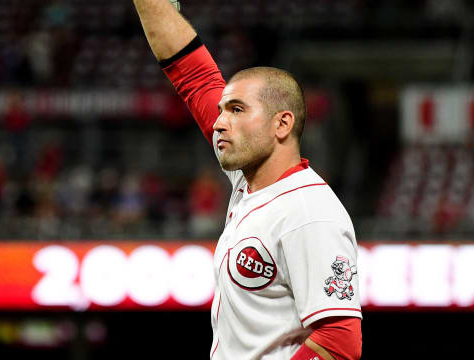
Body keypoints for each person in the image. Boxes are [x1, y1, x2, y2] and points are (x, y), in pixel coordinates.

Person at [132, 1, 362, 359]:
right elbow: (191, 73)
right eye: (222, 110)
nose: (220, 122)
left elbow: (340, 340)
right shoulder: (248, 178)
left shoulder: (309, 213)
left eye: (237, 110)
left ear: (281, 125)